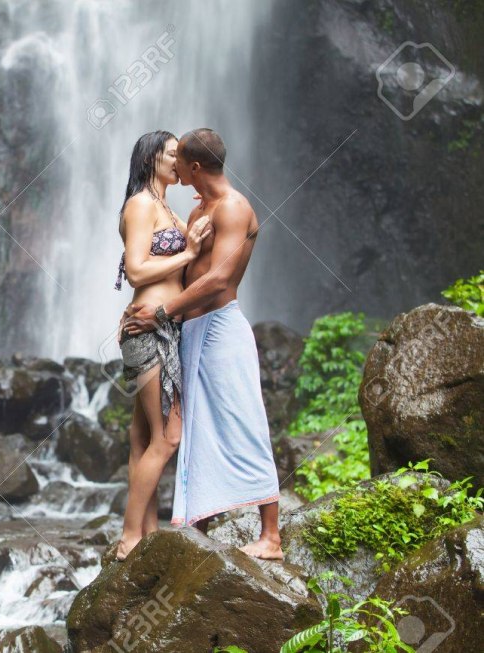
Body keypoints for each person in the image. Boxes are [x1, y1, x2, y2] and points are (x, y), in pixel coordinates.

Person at [121, 127, 284, 560]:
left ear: (194, 167)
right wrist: (151, 309)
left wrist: (160, 312)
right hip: (187, 330)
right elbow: (166, 265)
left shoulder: (232, 207)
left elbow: (219, 278)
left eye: (179, 159)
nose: (173, 166)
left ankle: (271, 536)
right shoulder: (197, 210)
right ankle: (197, 524)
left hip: (220, 327)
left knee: (244, 418)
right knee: (194, 429)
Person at [112, 131, 211, 562]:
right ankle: (129, 538)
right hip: (148, 332)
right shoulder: (141, 205)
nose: (179, 160)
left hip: (164, 328)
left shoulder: (167, 207)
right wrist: (188, 253)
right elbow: (136, 271)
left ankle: (147, 532)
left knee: (143, 438)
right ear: (151, 157)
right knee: (169, 437)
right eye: (172, 154)